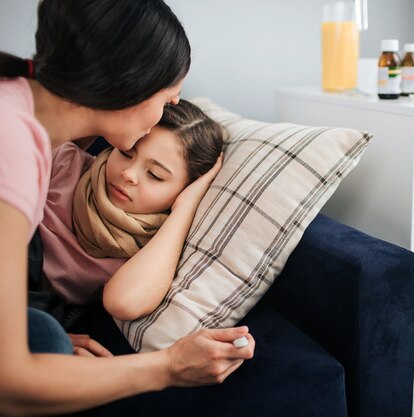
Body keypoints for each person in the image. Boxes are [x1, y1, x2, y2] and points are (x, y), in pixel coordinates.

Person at [0, 0, 254, 415]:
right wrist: (168, 366)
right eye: (169, 100)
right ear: (129, 84)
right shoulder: (12, 144)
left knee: (44, 337)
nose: (163, 115)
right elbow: (9, 385)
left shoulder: (21, 119)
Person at [36, 99, 224, 323]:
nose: (129, 174)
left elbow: (123, 303)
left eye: (154, 174)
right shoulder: (63, 163)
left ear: (183, 189)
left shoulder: (152, 250)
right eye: (126, 153)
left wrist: (186, 207)